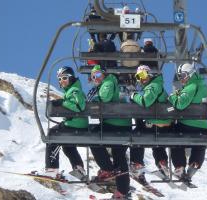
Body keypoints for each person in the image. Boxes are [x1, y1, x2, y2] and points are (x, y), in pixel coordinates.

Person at [89, 65, 132, 199]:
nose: (95, 79)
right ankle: (122, 191)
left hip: (114, 123)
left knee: (93, 138)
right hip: (123, 125)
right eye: (93, 77)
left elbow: (105, 98)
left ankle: (107, 168)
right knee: (119, 155)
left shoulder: (108, 82)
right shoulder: (111, 83)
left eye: (97, 75)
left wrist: (94, 99)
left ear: (103, 74)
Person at [168, 63, 207, 180]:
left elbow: (180, 104)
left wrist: (172, 97)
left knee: (174, 137)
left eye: (183, 75)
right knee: (199, 145)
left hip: (189, 125)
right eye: (179, 76)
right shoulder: (203, 86)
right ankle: (195, 163)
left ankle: (179, 166)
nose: (181, 79)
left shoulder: (191, 86)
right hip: (206, 127)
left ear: (190, 74)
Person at [129, 65, 173, 178]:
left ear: (149, 74)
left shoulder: (153, 86)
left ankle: (137, 163)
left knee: (136, 134)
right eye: (138, 77)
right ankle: (161, 162)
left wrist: (134, 95)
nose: (141, 79)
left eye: (143, 75)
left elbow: (145, 102)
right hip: (161, 124)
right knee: (155, 141)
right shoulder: (155, 85)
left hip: (157, 123)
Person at [45, 66, 88, 180]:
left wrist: (63, 103)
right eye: (59, 79)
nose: (61, 81)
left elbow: (79, 107)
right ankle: (78, 168)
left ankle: (52, 169)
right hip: (76, 124)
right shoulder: (71, 90)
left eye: (64, 78)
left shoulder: (75, 90)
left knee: (52, 135)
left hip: (76, 125)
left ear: (71, 78)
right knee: (67, 147)